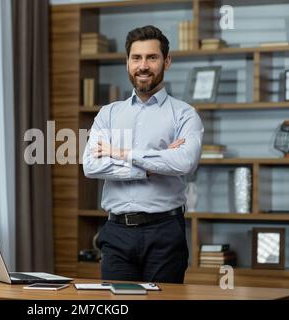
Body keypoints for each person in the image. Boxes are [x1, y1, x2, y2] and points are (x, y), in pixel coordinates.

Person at [82, 25, 204, 283]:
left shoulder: (184, 114)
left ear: (166, 61)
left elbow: (184, 162)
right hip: (116, 233)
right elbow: (91, 165)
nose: (143, 65)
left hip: (165, 232)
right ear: (127, 62)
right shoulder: (109, 113)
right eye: (136, 58)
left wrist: (120, 153)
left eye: (152, 57)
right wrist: (151, 164)